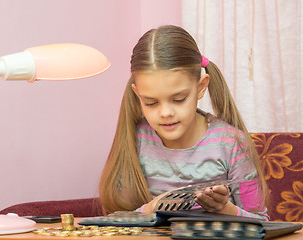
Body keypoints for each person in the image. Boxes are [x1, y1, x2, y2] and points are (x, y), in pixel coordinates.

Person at [99, 25, 269, 220]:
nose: (165, 113)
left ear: (201, 87)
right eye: (151, 102)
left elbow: (262, 222)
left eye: (179, 99)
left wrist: (224, 209)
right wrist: (151, 208)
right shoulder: (136, 139)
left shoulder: (231, 143)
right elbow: (117, 221)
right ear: (138, 94)